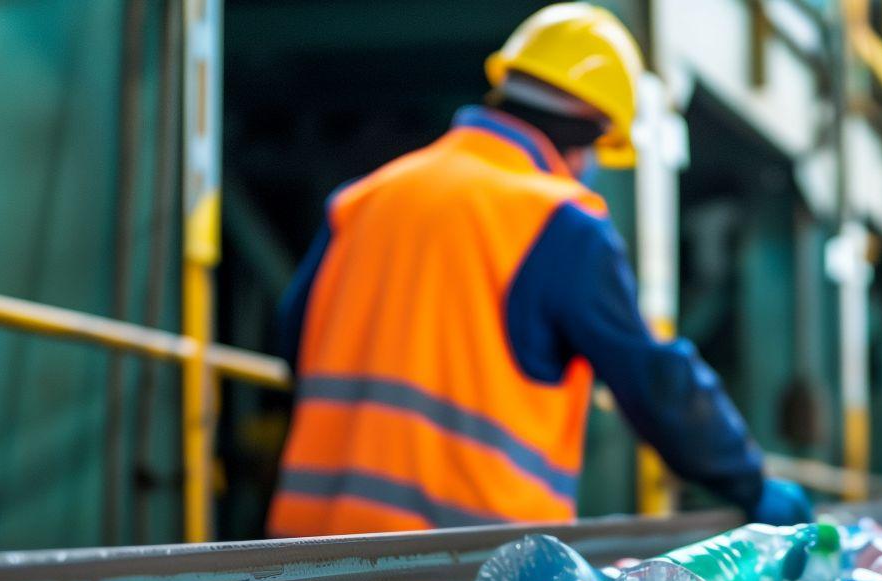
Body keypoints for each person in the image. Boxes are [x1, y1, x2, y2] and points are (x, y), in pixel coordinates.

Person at [267, 3, 811, 537]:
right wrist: (748, 483)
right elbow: (652, 379)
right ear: (588, 135)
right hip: (461, 573)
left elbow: (296, 339)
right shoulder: (560, 223)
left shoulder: (365, 198)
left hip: (304, 553)